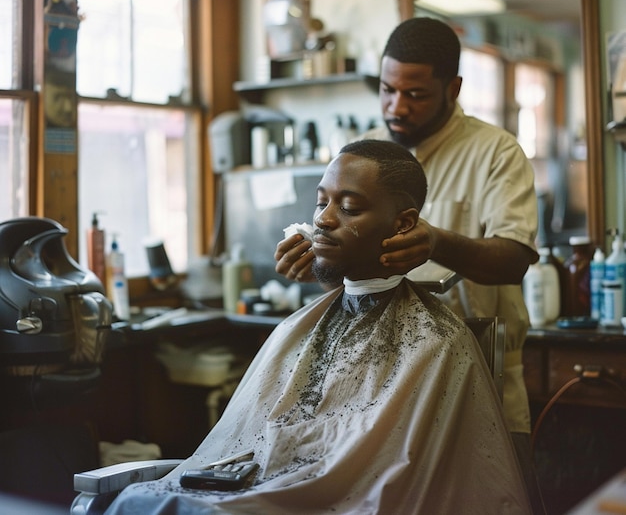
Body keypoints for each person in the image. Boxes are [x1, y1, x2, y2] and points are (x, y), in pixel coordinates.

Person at [103, 140, 531, 514]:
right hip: (262, 487)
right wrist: (328, 267)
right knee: (139, 502)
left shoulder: (436, 343)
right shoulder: (302, 325)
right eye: (320, 202)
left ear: (404, 223)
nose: (324, 219)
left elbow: (391, 484)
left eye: (348, 207)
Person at [274, 17, 544, 512]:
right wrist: (318, 255)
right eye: (387, 90)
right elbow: (346, 261)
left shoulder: (495, 152)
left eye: (416, 94)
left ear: (453, 88)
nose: (398, 107)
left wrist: (436, 241)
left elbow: (513, 259)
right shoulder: (369, 150)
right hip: (377, 381)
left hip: (471, 367)